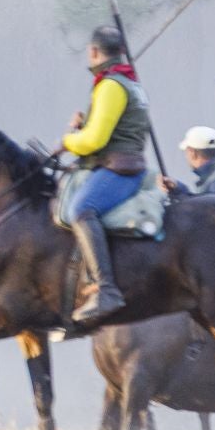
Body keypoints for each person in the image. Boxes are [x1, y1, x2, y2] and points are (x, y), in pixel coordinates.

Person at [59, 26, 152, 326]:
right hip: (123, 162)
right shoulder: (127, 83)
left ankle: (106, 289)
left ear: (94, 51)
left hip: (118, 168)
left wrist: (69, 140)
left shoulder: (111, 85)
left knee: (80, 210)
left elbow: (95, 141)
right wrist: (84, 126)